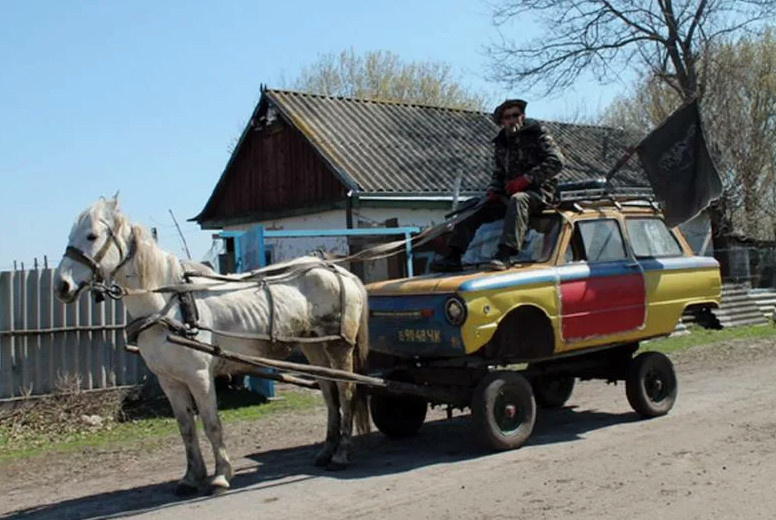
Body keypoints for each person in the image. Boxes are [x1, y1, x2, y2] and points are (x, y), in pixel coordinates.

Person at [430, 99, 565, 272]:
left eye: (516, 115)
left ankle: (505, 254)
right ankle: (454, 255)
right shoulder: (501, 143)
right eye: (507, 117)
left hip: (539, 192)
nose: (512, 120)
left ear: (522, 116)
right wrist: (494, 189)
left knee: (519, 199)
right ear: (502, 121)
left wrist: (527, 179)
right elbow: (499, 173)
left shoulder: (538, 134)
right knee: (473, 206)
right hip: (509, 193)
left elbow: (557, 162)